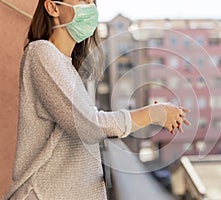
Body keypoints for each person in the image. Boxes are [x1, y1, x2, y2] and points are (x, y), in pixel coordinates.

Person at [4, 0, 191, 199]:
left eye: (92, 2)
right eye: (82, 0)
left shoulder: (65, 66)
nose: (90, 7)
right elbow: (88, 125)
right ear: (53, 7)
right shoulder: (41, 52)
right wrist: (153, 114)